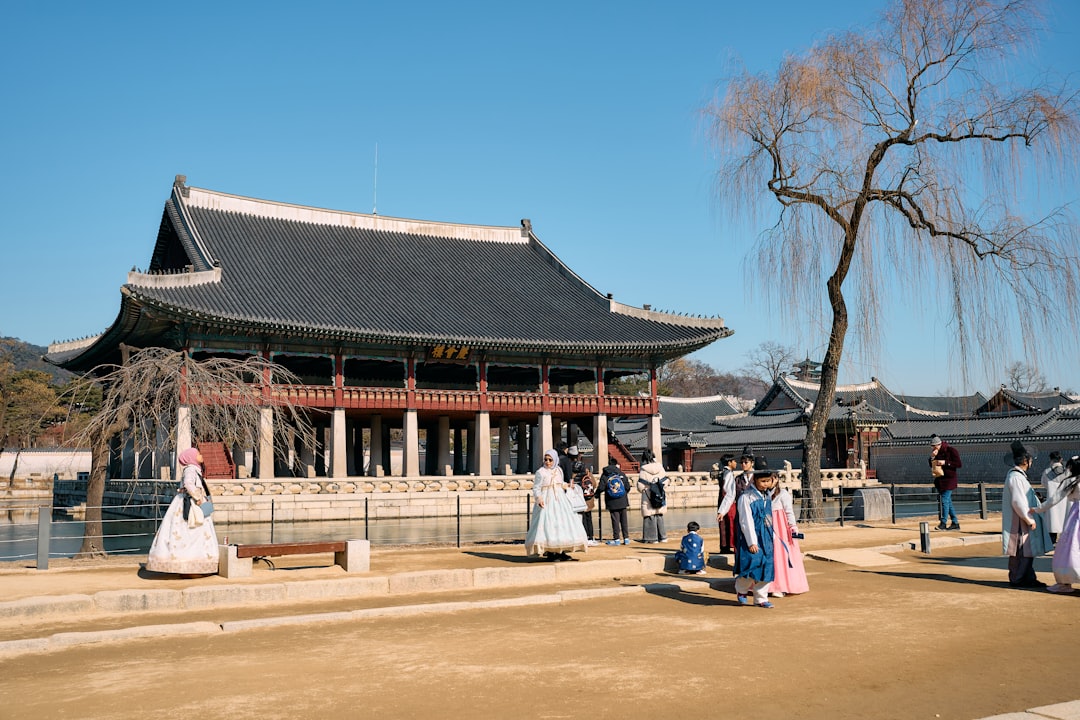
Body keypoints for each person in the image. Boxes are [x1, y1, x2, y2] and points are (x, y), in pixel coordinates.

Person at [146, 448, 219, 575]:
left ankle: (191, 566)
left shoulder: (194, 469)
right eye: (198, 454)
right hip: (191, 503)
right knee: (191, 531)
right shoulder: (191, 469)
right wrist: (199, 498)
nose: (201, 455)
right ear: (192, 457)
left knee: (189, 533)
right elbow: (188, 484)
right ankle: (190, 567)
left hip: (188, 501)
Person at [1002, 440, 1051, 588]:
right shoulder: (1016, 477)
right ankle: (1019, 578)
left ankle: (1026, 576)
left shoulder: (1017, 476)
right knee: (1021, 551)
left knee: (1025, 551)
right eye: (1029, 460)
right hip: (1020, 521)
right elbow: (1018, 501)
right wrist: (1028, 518)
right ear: (1025, 461)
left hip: (1021, 520)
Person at [525, 449, 588, 561]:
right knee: (548, 525)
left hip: (559, 499)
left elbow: (560, 483)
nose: (548, 462)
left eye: (550, 460)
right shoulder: (541, 472)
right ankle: (551, 552)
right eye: (546, 460)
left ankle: (561, 551)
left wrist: (567, 485)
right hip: (547, 499)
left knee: (562, 524)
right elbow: (536, 487)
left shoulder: (559, 470)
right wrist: (539, 498)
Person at [1033, 455, 1080, 593]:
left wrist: (1037, 509)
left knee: (1068, 549)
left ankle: (1064, 582)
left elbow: (1054, 499)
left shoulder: (1071, 481)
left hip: (1077, 516)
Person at [735, 462, 776, 608]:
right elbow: (745, 521)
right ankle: (741, 590)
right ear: (755, 480)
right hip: (752, 536)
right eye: (763, 481)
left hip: (767, 536)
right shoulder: (746, 497)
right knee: (752, 564)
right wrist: (752, 541)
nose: (766, 484)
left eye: (768, 481)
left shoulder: (768, 496)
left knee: (767, 566)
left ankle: (761, 598)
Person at [769, 471, 809, 597]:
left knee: (781, 556)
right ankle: (766, 585)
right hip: (767, 526)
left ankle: (781, 586)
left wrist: (792, 526)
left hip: (780, 529)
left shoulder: (783, 494)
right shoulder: (763, 494)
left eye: (769, 479)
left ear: (775, 479)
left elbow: (789, 512)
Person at [929, 435, 963, 530]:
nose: (933, 448)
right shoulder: (935, 453)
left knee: (944, 501)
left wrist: (945, 463)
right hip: (940, 480)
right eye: (932, 447)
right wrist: (932, 457)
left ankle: (943, 523)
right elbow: (931, 465)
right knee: (948, 502)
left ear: (939, 445)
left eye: (934, 446)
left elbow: (958, 464)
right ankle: (955, 523)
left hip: (949, 480)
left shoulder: (951, 450)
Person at [567, 446, 599, 546]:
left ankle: (579, 537)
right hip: (587, 498)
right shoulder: (586, 469)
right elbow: (593, 483)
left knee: (577, 519)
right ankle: (590, 537)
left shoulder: (568, 469)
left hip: (575, 498)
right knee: (588, 518)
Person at [597, 459, 631, 546]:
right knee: (624, 520)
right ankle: (626, 538)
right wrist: (623, 494)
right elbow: (627, 486)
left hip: (611, 501)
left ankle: (617, 539)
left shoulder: (605, 474)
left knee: (615, 520)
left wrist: (596, 494)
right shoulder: (621, 473)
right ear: (616, 464)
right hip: (622, 500)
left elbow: (601, 487)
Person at [637, 450, 668, 543]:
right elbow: (666, 481)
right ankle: (662, 537)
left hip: (648, 496)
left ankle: (651, 538)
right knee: (659, 515)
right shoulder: (660, 467)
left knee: (649, 515)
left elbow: (640, 486)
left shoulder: (644, 469)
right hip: (659, 495)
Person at [1040, 451, 1068, 544]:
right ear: (1061, 459)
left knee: (1052, 521)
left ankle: (1052, 541)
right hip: (1065, 499)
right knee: (1065, 520)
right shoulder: (1066, 470)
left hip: (1052, 499)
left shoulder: (1047, 471)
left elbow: (1044, 483)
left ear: (1050, 459)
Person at [714, 453, 739, 553]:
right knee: (730, 522)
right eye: (734, 461)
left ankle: (724, 545)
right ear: (729, 462)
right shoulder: (728, 473)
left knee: (724, 523)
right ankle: (728, 545)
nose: (736, 463)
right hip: (728, 501)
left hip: (722, 499)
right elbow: (729, 490)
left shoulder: (723, 472)